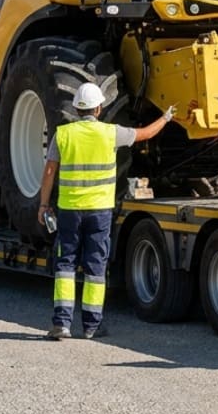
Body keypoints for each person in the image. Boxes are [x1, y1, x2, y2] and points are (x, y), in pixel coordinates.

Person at [37, 83, 173, 340]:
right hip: (99, 212)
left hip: (70, 211)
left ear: (76, 109)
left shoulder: (63, 135)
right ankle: (92, 326)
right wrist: (166, 118)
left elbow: (50, 171)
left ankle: (62, 324)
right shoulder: (111, 133)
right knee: (95, 267)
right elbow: (145, 134)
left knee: (65, 264)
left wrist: (44, 205)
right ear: (98, 108)